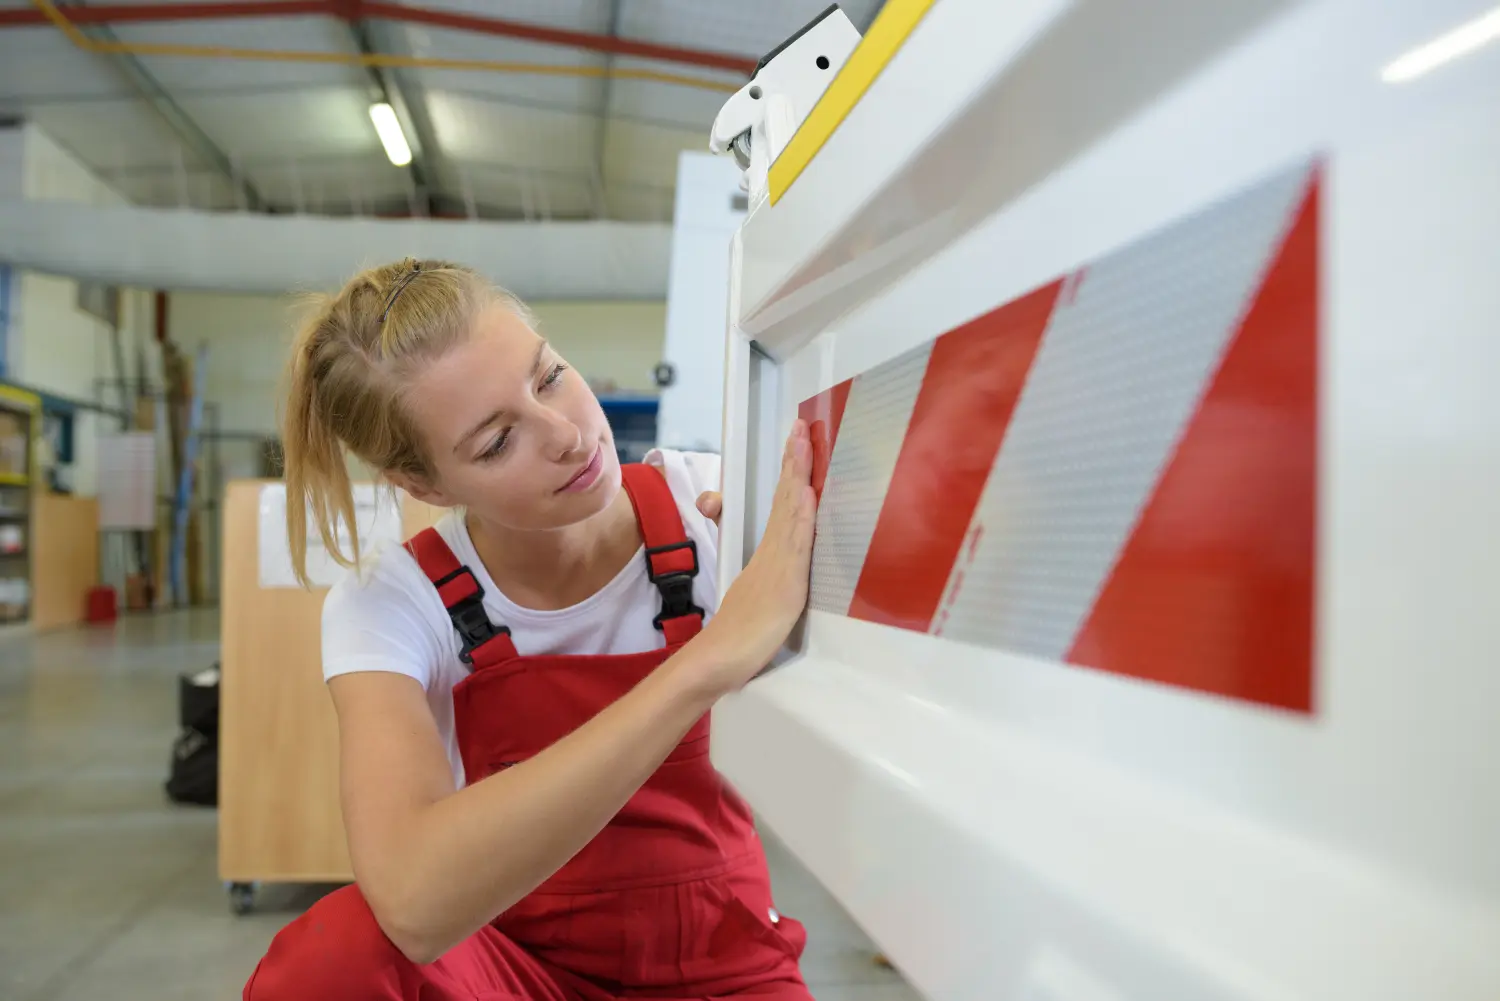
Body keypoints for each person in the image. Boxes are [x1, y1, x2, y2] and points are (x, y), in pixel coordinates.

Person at [241, 258, 819, 1001]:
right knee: (333, 960)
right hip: (517, 978)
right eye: (494, 442)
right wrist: (705, 661)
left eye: (548, 377)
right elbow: (413, 905)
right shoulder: (395, 601)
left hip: (725, 960)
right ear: (425, 486)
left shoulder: (719, 514)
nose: (567, 435)